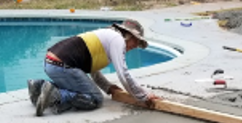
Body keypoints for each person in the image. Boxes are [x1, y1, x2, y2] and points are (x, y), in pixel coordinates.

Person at [27, 19, 159, 116]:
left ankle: (38, 86)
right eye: (136, 41)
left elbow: (93, 68)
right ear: (128, 35)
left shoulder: (107, 35)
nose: (136, 46)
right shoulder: (117, 40)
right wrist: (143, 96)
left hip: (51, 63)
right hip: (64, 65)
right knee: (95, 99)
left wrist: (108, 87)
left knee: (83, 90)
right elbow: (123, 74)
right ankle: (56, 95)